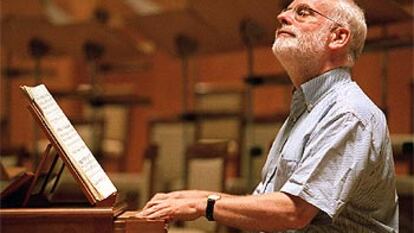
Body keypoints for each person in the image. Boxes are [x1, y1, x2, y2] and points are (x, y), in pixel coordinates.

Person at [137, 0, 399, 232]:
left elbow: (294, 212)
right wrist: (200, 195)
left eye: (303, 12)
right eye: (287, 10)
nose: (282, 17)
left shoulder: (348, 112)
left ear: (338, 37)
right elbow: (268, 205)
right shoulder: (308, 108)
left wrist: (201, 203)